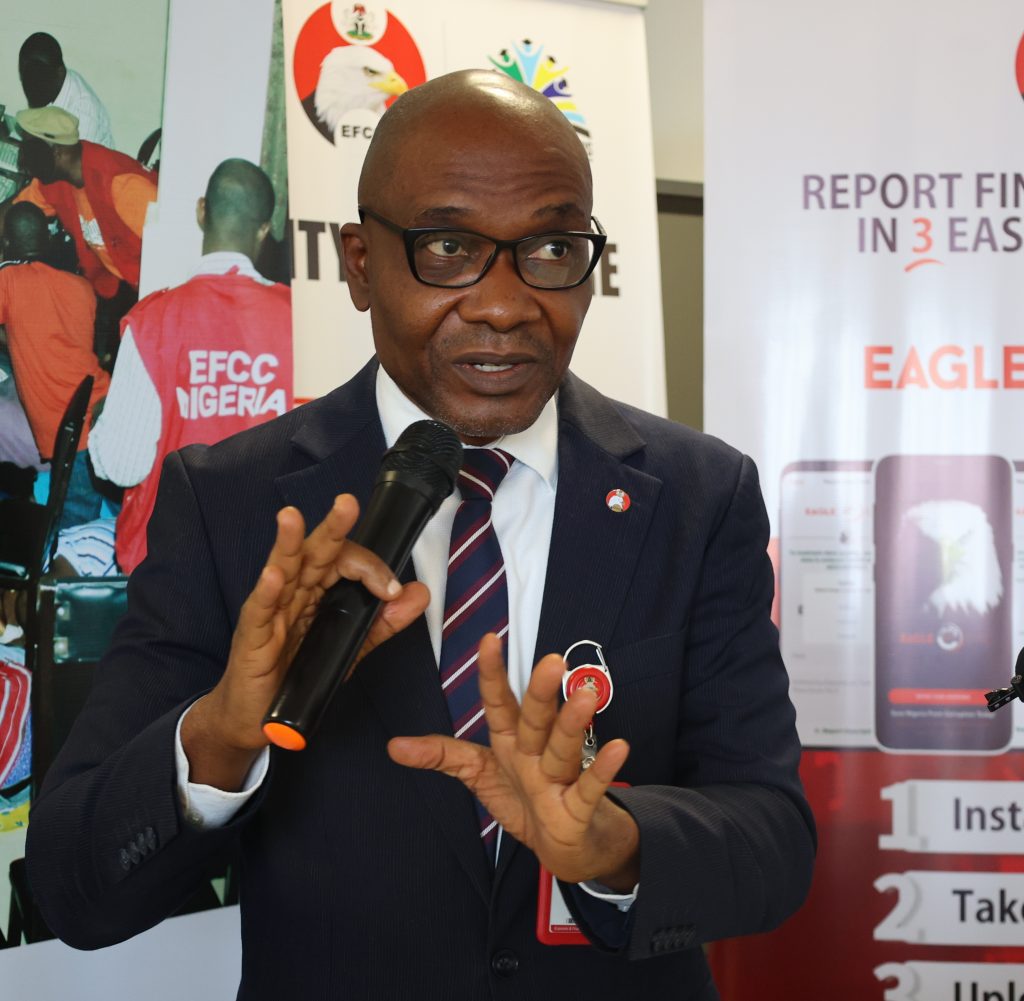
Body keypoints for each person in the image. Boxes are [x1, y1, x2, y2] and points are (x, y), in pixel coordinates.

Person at [25, 71, 815, 999]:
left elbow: (773, 840)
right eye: (449, 247)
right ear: (361, 264)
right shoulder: (230, 501)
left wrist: (614, 844)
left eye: (552, 248)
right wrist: (220, 737)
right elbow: (74, 886)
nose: (505, 304)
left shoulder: (698, 495)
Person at [88, 158, 292, 574]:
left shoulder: (152, 321)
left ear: (202, 211)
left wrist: (100, 421)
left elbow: (123, 465)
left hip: (169, 566)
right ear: (264, 229)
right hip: (265, 566)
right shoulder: (302, 322)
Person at [0, 202, 109, 529]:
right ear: (46, 242)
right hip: (106, 411)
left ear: (8, 243)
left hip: (77, 434)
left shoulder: (9, 281)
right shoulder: (81, 288)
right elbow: (58, 340)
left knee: (73, 533)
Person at [10, 106, 156, 301]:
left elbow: (174, 248)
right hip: (109, 285)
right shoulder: (54, 180)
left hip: (149, 290)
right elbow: (13, 214)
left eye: (30, 150)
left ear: (58, 152)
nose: (24, 159)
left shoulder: (123, 186)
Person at [18, 32, 116, 149]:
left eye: (39, 81)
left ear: (60, 72)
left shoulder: (83, 115)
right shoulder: (51, 85)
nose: (33, 88)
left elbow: (73, 160)